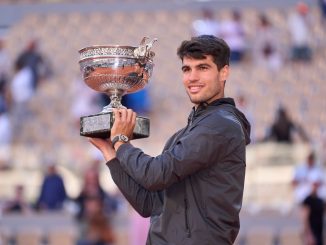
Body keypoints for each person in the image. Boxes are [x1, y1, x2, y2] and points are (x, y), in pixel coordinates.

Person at [89, 35, 251, 244]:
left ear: (224, 72)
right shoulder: (186, 134)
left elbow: (156, 174)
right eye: (187, 69)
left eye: (202, 68)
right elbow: (149, 204)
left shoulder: (220, 125)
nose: (192, 77)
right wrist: (110, 153)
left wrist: (121, 141)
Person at [301, 177, 324, 245]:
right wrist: (309, 235)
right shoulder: (308, 200)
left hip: (319, 232)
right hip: (311, 232)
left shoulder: (320, 200)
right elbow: (305, 218)